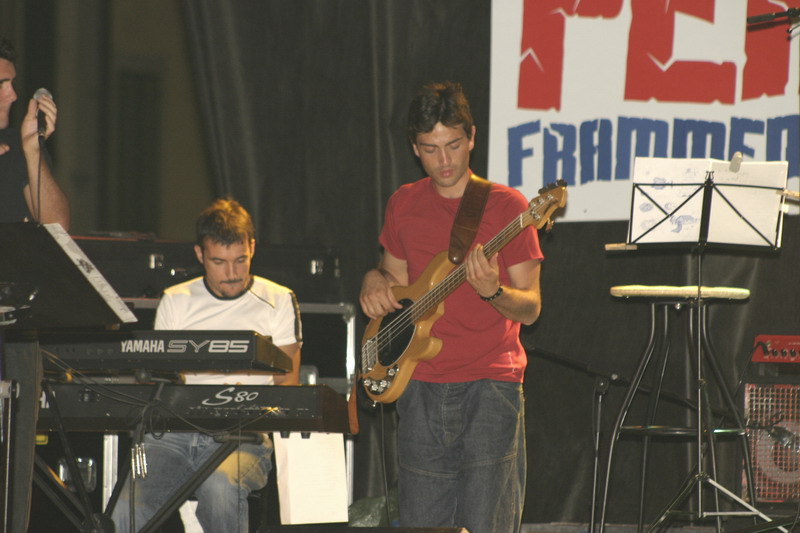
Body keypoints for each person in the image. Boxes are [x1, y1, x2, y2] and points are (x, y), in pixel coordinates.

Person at [359, 81, 543, 533]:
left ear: (472, 137)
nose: (444, 160)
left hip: (490, 384)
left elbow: (531, 308)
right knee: (423, 525)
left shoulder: (509, 207)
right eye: (430, 148)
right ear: (414, 148)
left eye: (454, 145)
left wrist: (493, 292)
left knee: (487, 523)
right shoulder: (403, 202)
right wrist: (373, 280)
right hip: (418, 383)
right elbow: (393, 283)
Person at [111, 197, 302, 532]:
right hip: (175, 434)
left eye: (240, 260)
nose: (232, 274)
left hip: (244, 433)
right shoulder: (176, 300)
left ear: (252, 247)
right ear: (200, 254)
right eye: (219, 262)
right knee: (128, 508)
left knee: (220, 488)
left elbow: (287, 383)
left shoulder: (278, 299)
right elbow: (163, 381)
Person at [0, 35, 70, 230]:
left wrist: (33, 151)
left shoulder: (17, 145)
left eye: (12, 84)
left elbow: (57, 229)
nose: (13, 96)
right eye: (1, 84)